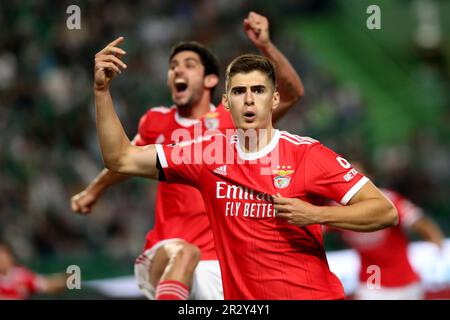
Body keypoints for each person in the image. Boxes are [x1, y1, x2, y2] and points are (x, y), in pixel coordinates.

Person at [92, 48, 398, 299]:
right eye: (239, 91)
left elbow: (384, 211)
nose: (249, 99)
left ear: (274, 99)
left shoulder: (306, 154)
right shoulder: (207, 154)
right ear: (226, 102)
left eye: (258, 90)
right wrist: (102, 91)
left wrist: (316, 214)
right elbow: (120, 158)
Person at [72, 12, 304, 300]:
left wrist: (266, 46)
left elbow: (292, 93)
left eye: (189, 65)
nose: (177, 71)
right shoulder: (156, 122)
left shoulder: (236, 120)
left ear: (210, 80)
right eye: (172, 67)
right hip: (169, 249)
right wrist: (94, 190)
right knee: (184, 253)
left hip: (223, 261)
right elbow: (126, 161)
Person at [326, 161, 444, 300]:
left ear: (369, 178)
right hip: (372, 281)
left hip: (405, 281)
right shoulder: (336, 210)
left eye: (355, 176)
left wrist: (436, 243)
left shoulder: (387, 200)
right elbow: (314, 227)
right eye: (345, 177)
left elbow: (420, 222)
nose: (350, 182)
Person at [0, 242, 68, 300]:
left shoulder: (21, 275)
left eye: (5, 257)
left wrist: (66, 280)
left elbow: (47, 284)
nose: (3, 261)